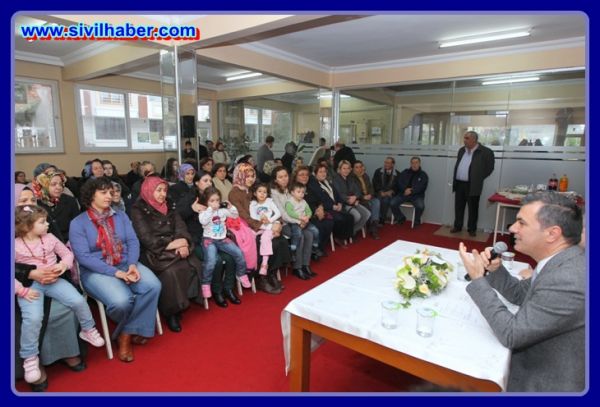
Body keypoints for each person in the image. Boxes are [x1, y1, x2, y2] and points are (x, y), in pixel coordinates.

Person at [458, 192, 585, 392]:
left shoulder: (567, 279)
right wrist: (495, 270)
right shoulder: (559, 261)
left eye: (521, 223)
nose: (512, 228)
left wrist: (478, 279)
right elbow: (519, 294)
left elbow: (511, 334)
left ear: (552, 234)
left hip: (545, 382)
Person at [69, 177, 161, 363]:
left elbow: (133, 241)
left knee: (153, 286)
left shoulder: (121, 216)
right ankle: (133, 329)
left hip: (125, 262)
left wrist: (132, 265)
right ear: (91, 195)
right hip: (96, 270)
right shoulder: (78, 223)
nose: (109, 196)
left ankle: (125, 333)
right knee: (121, 302)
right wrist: (117, 273)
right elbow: (84, 257)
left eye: (110, 192)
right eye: (103, 192)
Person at [15, 205, 105, 384]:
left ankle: (88, 329)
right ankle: (30, 357)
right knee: (33, 318)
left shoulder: (49, 238)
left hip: (54, 281)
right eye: (43, 222)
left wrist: (62, 266)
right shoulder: (15, 245)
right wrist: (21, 290)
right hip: (30, 286)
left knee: (78, 301)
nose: (48, 224)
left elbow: (67, 254)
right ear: (27, 226)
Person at [14, 185, 86, 392]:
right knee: (32, 317)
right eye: (22, 201)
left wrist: (57, 269)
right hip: (20, 287)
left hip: (52, 280)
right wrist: (29, 273)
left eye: (32, 200)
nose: (29, 205)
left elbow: (60, 251)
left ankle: (67, 352)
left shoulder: (42, 221)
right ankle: (34, 362)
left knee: (68, 306)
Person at [130, 176, 202, 332]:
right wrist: (171, 244)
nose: (163, 194)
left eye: (164, 190)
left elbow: (180, 226)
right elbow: (146, 237)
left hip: (174, 246)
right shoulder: (138, 209)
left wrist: (183, 241)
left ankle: (181, 302)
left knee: (193, 263)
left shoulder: (169, 204)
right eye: (158, 190)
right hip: (153, 252)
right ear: (149, 190)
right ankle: (171, 312)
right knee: (171, 272)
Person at [176, 171, 241, 307]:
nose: (209, 183)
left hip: (216, 237)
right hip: (197, 240)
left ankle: (228, 288)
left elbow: (225, 215)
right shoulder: (190, 198)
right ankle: (217, 291)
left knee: (230, 257)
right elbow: (177, 216)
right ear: (196, 183)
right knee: (217, 260)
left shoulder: (214, 197)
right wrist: (191, 208)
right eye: (205, 180)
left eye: (210, 180)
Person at [229, 163, 291, 293]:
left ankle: (271, 272)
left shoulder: (252, 189)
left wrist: (277, 223)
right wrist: (265, 226)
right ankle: (262, 278)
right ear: (240, 176)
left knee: (281, 241)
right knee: (271, 243)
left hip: (264, 224)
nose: (251, 179)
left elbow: (270, 207)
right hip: (246, 227)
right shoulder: (234, 193)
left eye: (252, 176)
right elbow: (244, 215)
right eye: (247, 176)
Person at [199, 187, 251, 298]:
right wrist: (210, 209)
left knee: (239, 253)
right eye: (212, 201)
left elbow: (235, 215)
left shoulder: (222, 211)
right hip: (209, 240)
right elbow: (203, 221)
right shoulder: (203, 212)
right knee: (211, 260)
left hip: (222, 239)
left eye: (217, 200)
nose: (215, 203)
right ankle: (206, 283)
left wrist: (231, 207)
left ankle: (241, 274)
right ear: (206, 202)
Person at [271, 166, 316, 281]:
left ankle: (305, 265)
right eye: (280, 177)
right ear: (275, 179)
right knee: (300, 236)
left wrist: (304, 219)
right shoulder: (274, 193)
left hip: (297, 221)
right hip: (284, 224)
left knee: (310, 234)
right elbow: (283, 214)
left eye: (285, 176)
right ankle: (297, 267)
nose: (284, 179)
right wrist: (299, 221)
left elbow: (301, 206)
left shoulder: (291, 188)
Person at [451, 131, 495, 237]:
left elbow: (489, 168)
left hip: (473, 185)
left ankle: (472, 229)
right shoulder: (462, 150)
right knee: (459, 207)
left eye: (467, 138)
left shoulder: (485, 152)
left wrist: (478, 178)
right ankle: (457, 226)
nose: (464, 140)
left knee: (473, 208)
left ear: (474, 139)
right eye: (464, 138)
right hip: (459, 184)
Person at [308, 163, 354, 248]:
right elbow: (320, 200)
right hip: (327, 209)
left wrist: (340, 203)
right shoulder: (314, 185)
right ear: (315, 173)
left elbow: (337, 195)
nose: (323, 174)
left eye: (324, 171)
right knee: (339, 219)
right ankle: (338, 237)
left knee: (350, 217)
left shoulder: (328, 182)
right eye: (320, 172)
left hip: (335, 206)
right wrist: (332, 206)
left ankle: (345, 237)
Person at [30, 171, 80, 244]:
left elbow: (77, 225)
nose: (59, 187)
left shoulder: (70, 201)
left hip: (68, 243)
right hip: (43, 244)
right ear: (44, 186)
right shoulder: (36, 203)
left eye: (61, 184)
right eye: (53, 184)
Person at [250, 183, 283, 276]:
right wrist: (261, 219)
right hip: (260, 225)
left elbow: (278, 213)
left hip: (269, 226)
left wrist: (270, 220)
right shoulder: (253, 204)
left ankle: (264, 264)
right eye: (260, 191)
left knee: (264, 239)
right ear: (255, 193)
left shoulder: (269, 202)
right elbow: (253, 216)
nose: (262, 194)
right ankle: (252, 263)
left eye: (264, 192)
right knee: (250, 235)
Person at [285, 182, 322, 263]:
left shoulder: (304, 201)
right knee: (297, 234)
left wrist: (307, 217)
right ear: (292, 193)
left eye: (303, 192)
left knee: (315, 230)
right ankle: (293, 250)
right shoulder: (289, 202)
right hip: (295, 222)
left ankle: (315, 246)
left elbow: (309, 211)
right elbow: (290, 213)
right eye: (298, 192)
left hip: (305, 220)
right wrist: (300, 218)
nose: (301, 194)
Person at [333, 160, 371, 238]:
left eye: (348, 168)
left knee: (367, 214)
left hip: (354, 201)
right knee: (357, 216)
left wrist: (355, 197)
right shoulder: (336, 179)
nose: (346, 170)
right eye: (344, 168)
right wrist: (349, 199)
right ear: (339, 169)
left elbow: (358, 190)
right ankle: (346, 233)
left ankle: (352, 231)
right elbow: (339, 194)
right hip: (343, 204)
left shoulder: (350, 178)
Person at [390, 157, 428, 227]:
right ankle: (400, 218)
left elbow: (422, 187)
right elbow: (399, 182)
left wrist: (411, 191)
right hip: (403, 194)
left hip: (416, 196)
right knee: (392, 203)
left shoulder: (423, 175)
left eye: (416, 163)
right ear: (410, 164)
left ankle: (416, 221)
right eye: (412, 163)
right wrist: (405, 189)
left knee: (420, 206)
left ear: (419, 163)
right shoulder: (405, 172)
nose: (414, 164)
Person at [351, 160, 381, 239]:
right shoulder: (351, 178)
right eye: (357, 167)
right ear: (353, 169)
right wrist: (363, 197)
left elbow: (371, 187)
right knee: (369, 205)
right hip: (359, 199)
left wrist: (370, 194)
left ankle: (373, 225)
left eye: (360, 167)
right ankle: (373, 227)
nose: (359, 169)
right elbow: (354, 192)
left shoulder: (365, 176)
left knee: (376, 201)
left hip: (368, 197)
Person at [372, 157, 400, 224]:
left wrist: (391, 191)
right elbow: (375, 183)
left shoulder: (398, 174)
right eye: (385, 162)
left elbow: (398, 186)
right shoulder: (378, 171)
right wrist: (380, 191)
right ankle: (376, 218)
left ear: (393, 164)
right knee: (378, 199)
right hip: (379, 192)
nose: (386, 164)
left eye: (388, 163)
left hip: (390, 194)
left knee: (386, 200)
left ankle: (382, 219)